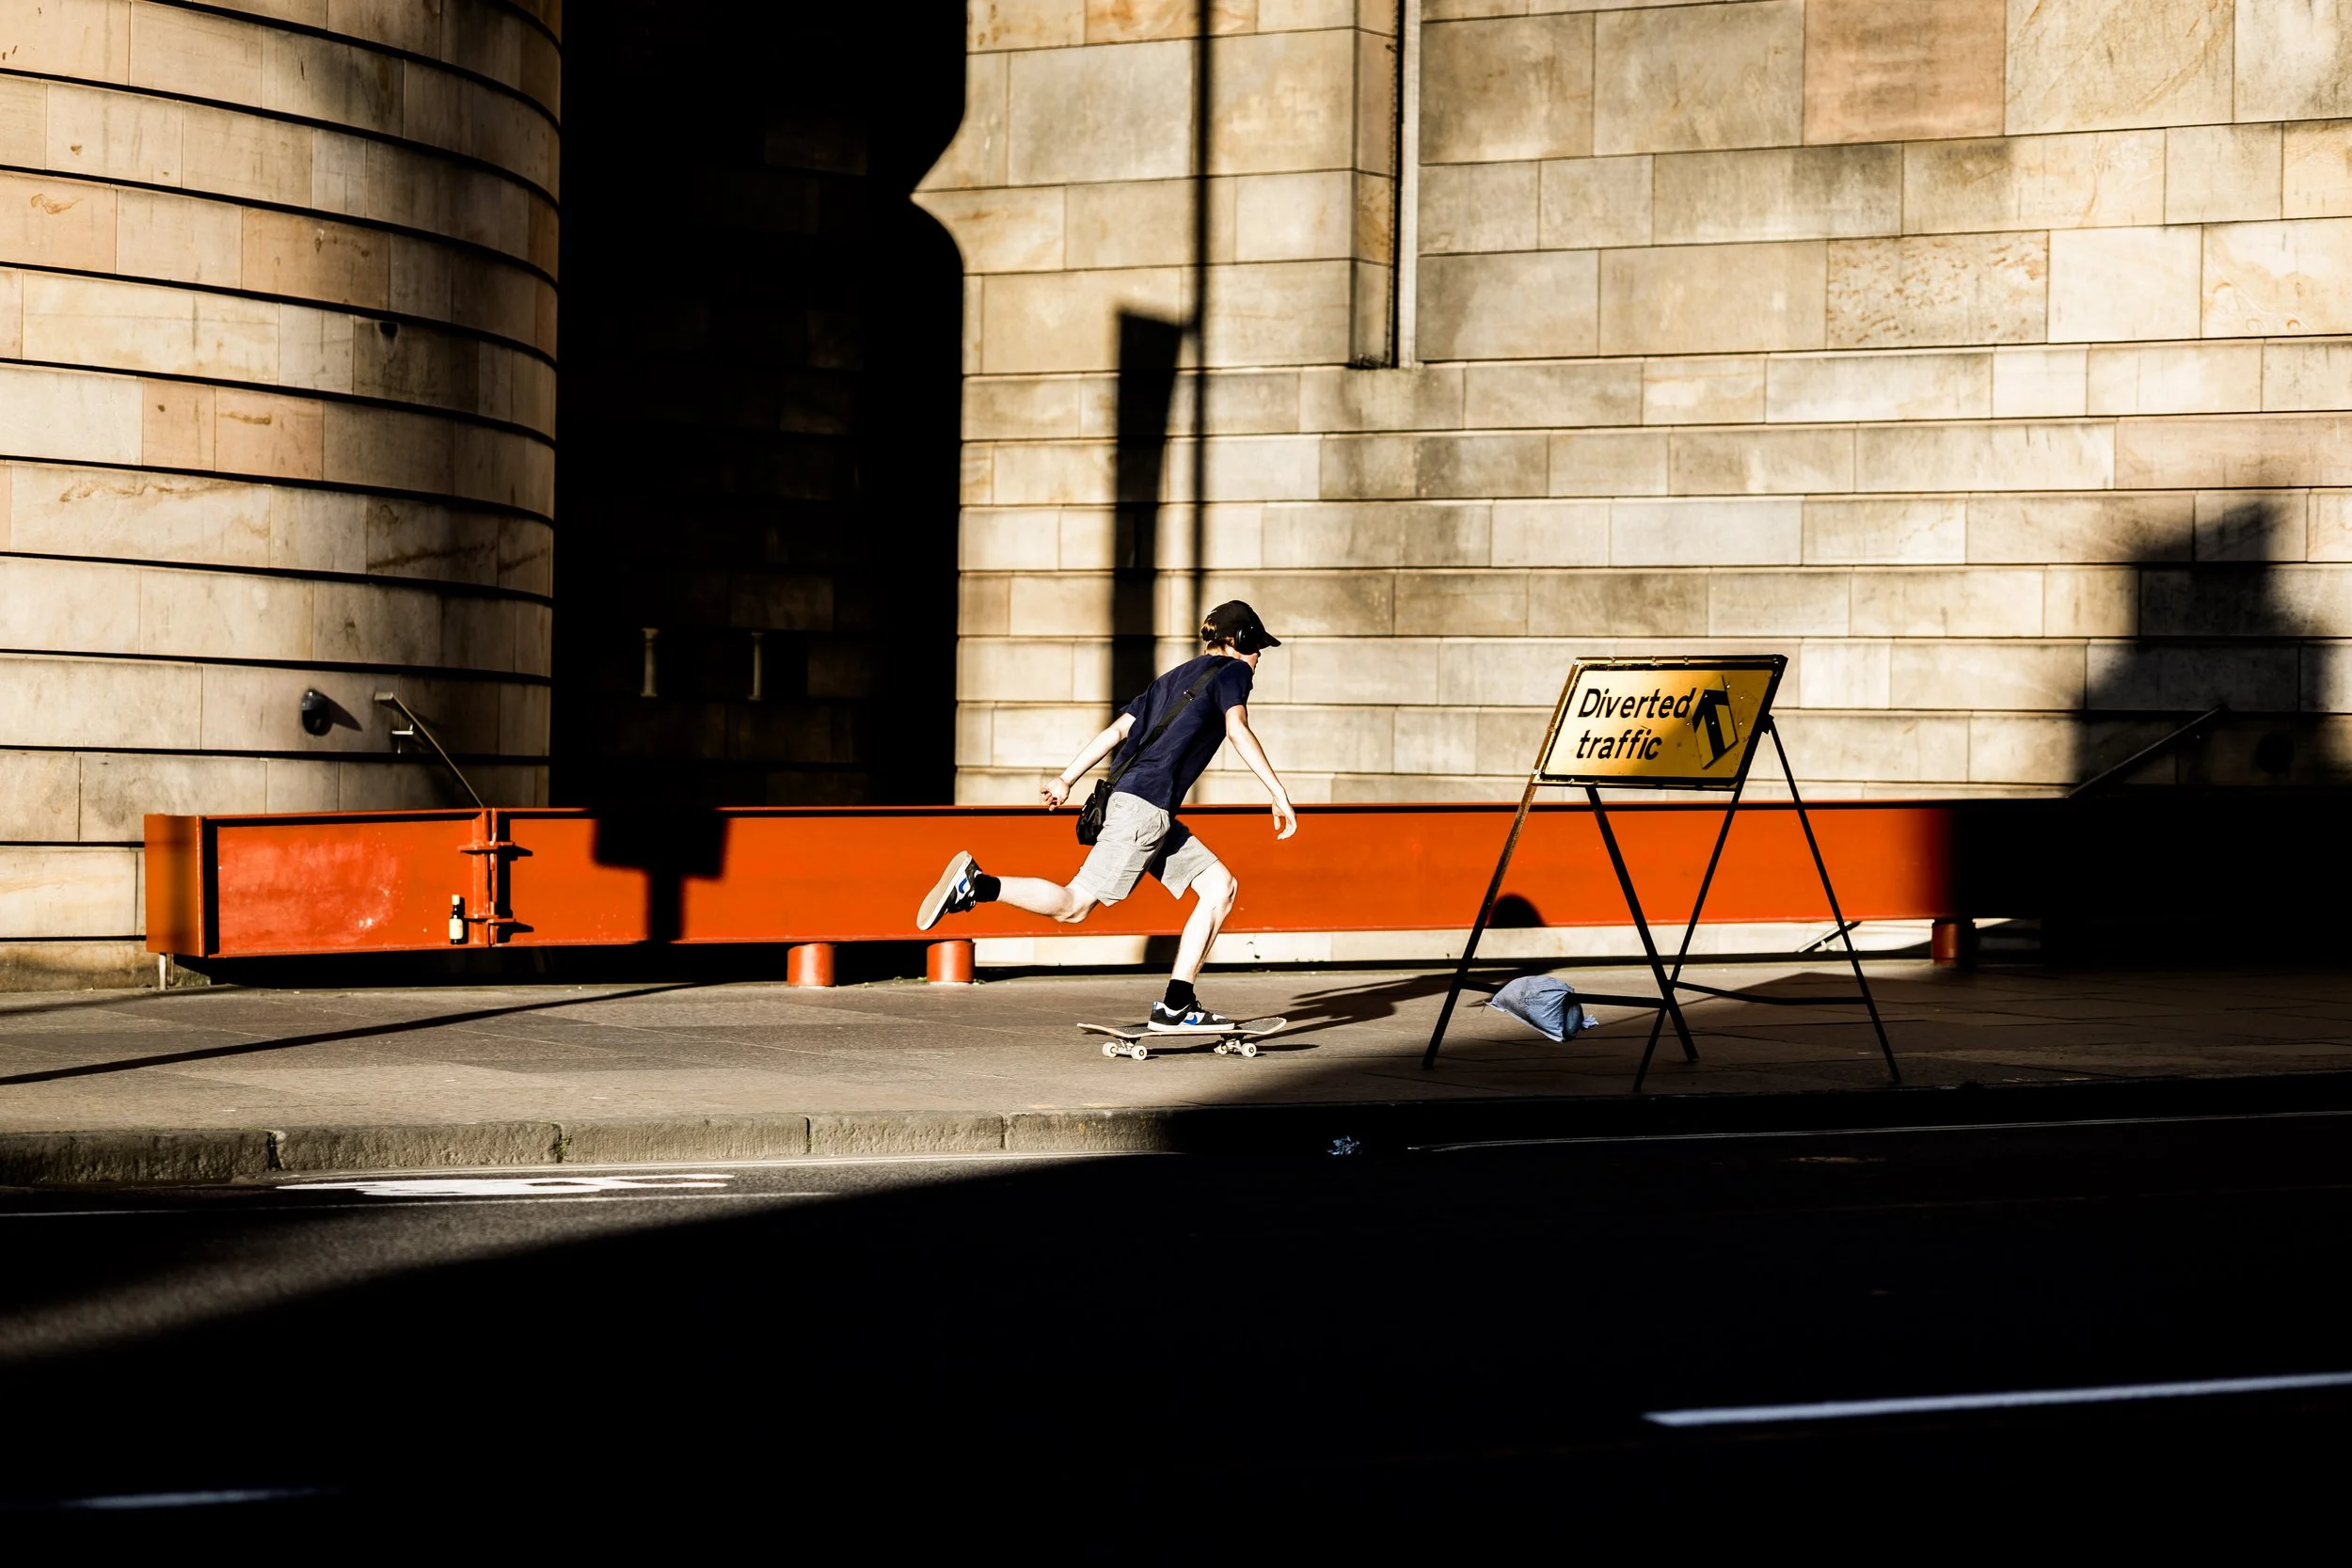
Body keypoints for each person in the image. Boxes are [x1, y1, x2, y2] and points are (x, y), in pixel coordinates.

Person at [916, 600, 1299, 1032]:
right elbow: (1237, 729)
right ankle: (977, 885)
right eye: (1257, 648)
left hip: (1138, 805)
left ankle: (1177, 1005)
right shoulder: (1233, 673)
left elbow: (1118, 731)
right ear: (1240, 642)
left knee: (1219, 887)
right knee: (1074, 906)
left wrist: (1067, 778)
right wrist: (1278, 791)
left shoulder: (1173, 678)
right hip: (1144, 809)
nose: (1259, 658)